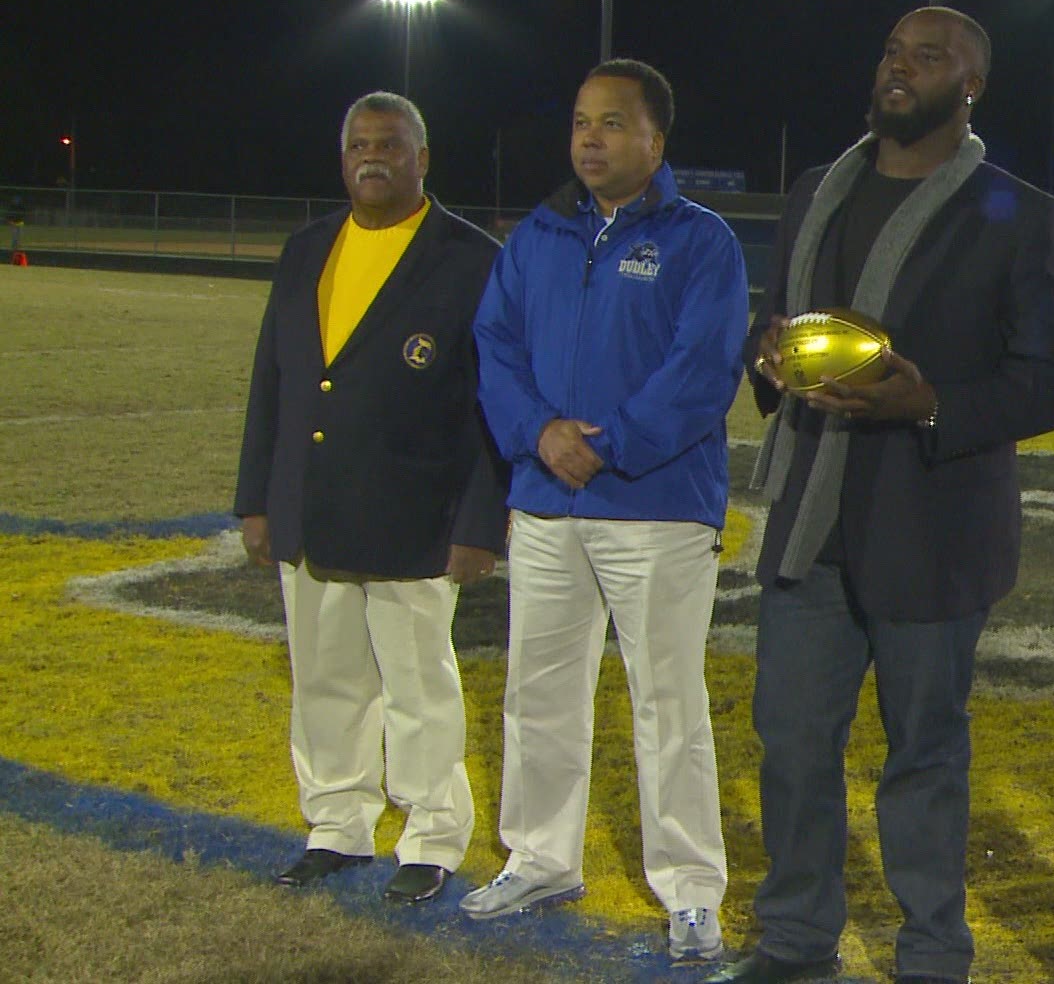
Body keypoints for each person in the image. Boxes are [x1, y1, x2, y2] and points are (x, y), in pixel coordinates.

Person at [710, 7, 1054, 984]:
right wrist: (768, 355)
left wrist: (931, 404)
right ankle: (795, 943)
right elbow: (781, 321)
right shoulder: (815, 191)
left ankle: (930, 958)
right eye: (890, 51)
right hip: (811, 524)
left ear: (971, 87)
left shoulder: (1021, 213)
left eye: (929, 58)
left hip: (931, 528)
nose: (900, 69)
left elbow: (1051, 382)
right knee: (791, 747)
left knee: (922, 759)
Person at [467, 59, 747, 962]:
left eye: (612, 124)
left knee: (668, 704)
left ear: (656, 141)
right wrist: (540, 434)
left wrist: (609, 443)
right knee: (538, 694)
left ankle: (692, 889)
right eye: (582, 122)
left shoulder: (703, 240)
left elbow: (704, 371)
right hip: (548, 498)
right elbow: (494, 346)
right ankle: (542, 857)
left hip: (656, 506)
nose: (590, 138)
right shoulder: (537, 235)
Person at [234, 91, 508, 905]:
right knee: (325, 681)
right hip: (312, 508)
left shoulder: (472, 258)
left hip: (416, 515)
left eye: (390, 143)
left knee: (419, 685)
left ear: (423, 159)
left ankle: (429, 836)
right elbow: (272, 382)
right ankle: (337, 825)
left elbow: (492, 405)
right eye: (358, 143)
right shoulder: (307, 247)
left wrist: (478, 523)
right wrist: (258, 498)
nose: (372, 156)